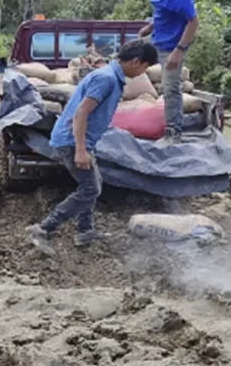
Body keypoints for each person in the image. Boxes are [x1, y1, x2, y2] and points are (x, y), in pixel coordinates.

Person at [25, 40, 159, 257]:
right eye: (145, 66)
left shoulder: (112, 78)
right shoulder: (105, 79)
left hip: (82, 140)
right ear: (136, 61)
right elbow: (81, 114)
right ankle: (43, 229)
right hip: (72, 141)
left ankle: (84, 231)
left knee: (93, 183)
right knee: (90, 189)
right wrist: (80, 149)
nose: (145, 72)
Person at [126, 0, 199, 143]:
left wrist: (179, 51)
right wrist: (150, 26)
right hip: (156, 38)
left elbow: (193, 22)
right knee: (125, 57)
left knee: (170, 88)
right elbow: (162, 11)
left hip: (173, 46)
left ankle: (173, 132)